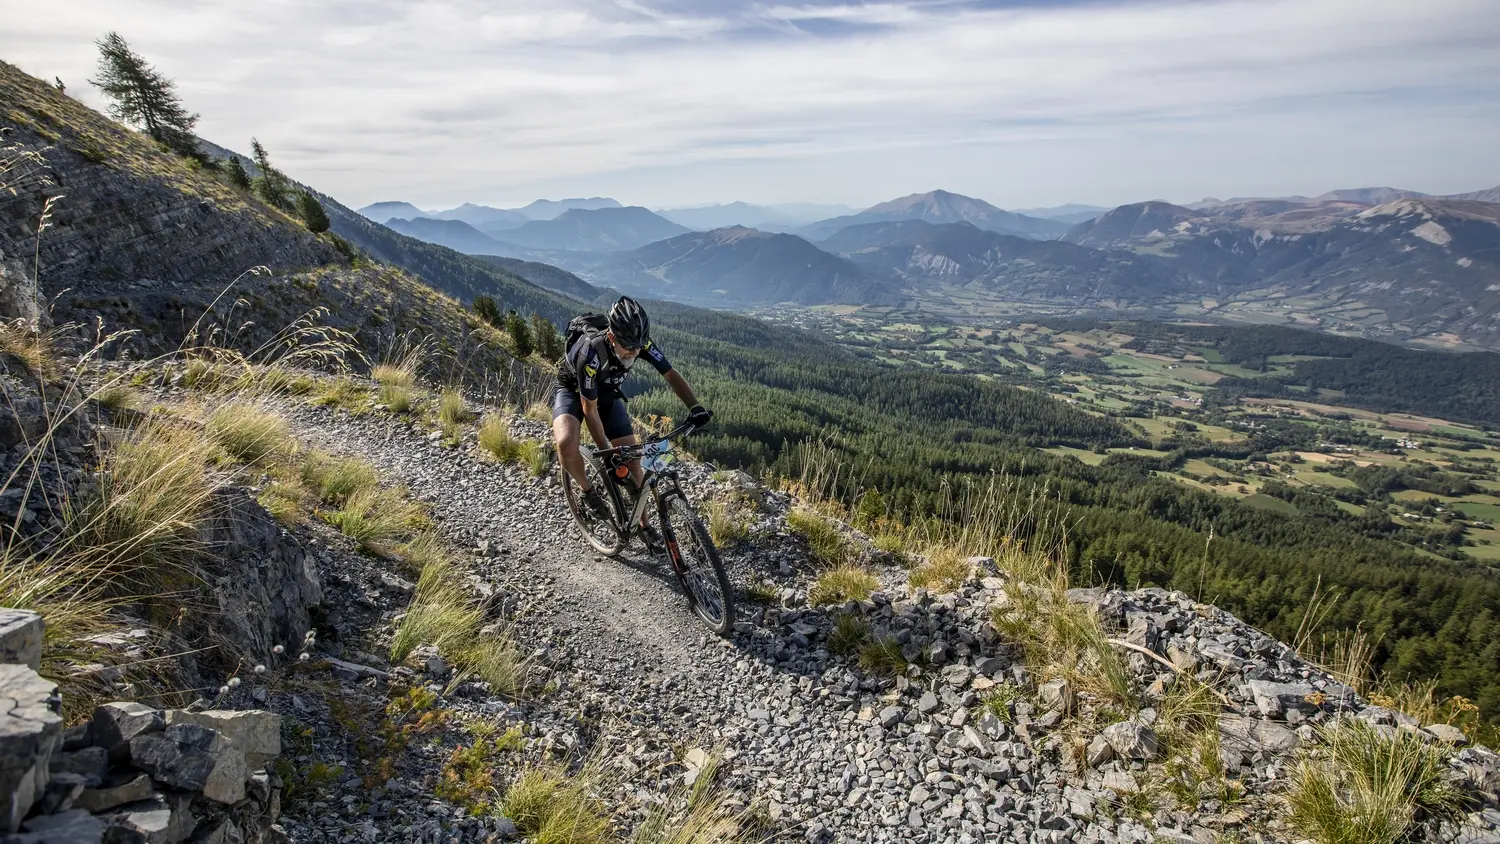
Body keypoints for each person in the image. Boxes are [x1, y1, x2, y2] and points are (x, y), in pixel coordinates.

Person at [552, 296, 712, 543]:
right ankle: (586, 491)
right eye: (629, 348)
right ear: (613, 338)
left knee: (633, 460)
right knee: (566, 443)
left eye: (639, 347)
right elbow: (589, 409)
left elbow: (669, 374)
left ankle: (644, 526)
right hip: (573, 391)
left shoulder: (640, 343)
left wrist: (695, 406)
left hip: (605, 393)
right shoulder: (591, 353)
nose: (635, 353)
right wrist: (607, 453)